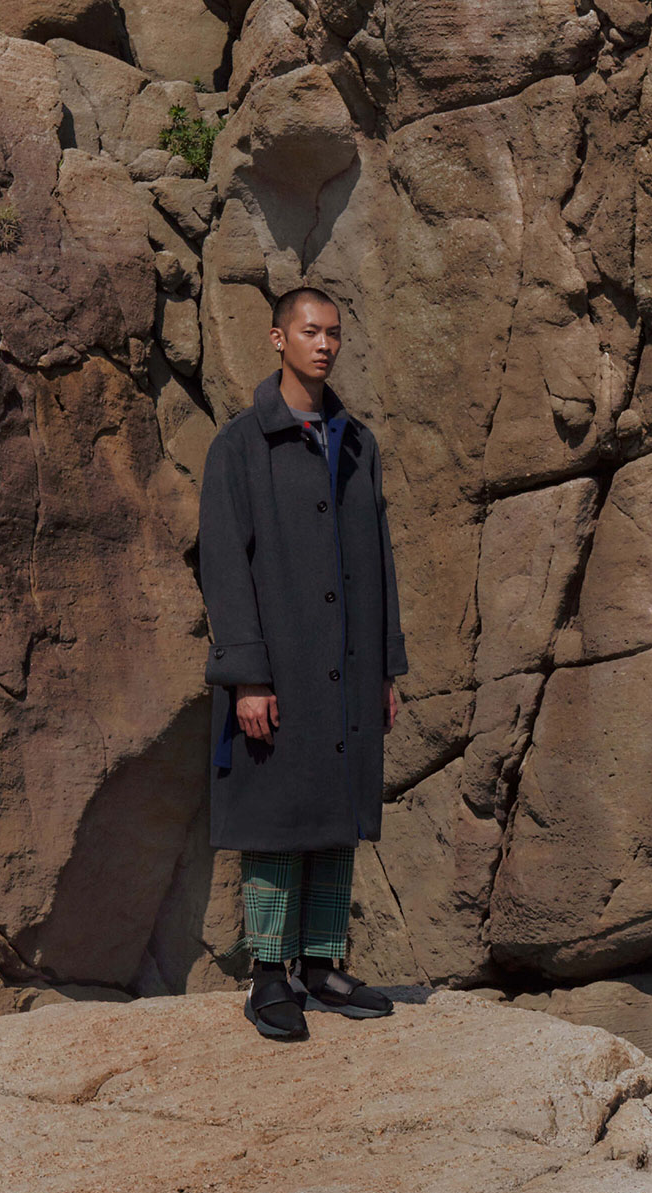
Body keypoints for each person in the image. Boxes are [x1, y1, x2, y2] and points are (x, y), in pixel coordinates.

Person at [197, 286, 409, 1039]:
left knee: (334, 811)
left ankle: (321, 965)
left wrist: (384, 668)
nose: (324, 345)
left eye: (334, 334)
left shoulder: (357, 444)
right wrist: (248, 676)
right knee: (277, 817)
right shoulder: (240, 444)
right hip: (277, 665)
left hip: (348, 666)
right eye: (310, 331)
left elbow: (378, 562)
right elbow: (223, 565)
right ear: (277, 338)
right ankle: (267, 976)